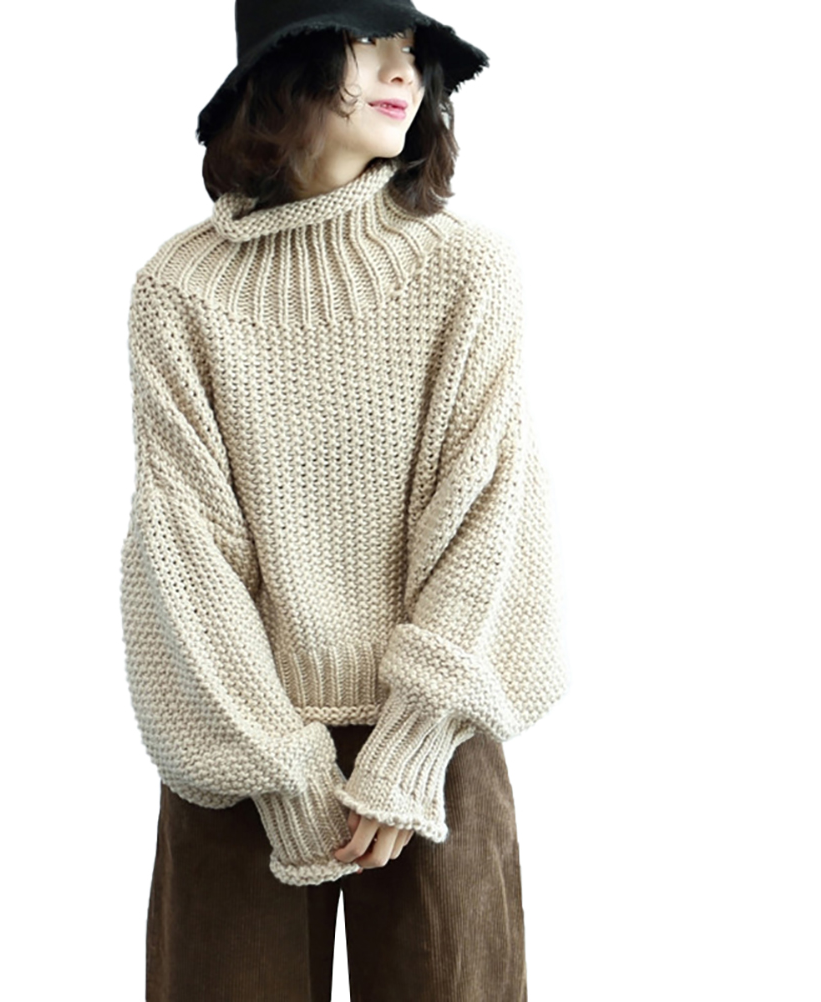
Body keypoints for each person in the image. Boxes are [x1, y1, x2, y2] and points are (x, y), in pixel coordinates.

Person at [118, 1, 568, 998]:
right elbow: (184, 550)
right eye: (368, 47)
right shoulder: (180, 291)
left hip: (437, 741)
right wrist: (277, 764)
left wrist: (411, 744)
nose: (403, 70)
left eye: (411, 51)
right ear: (286, 71)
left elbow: (489, 520)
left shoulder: (468, 271)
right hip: (235, 749)